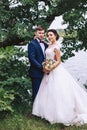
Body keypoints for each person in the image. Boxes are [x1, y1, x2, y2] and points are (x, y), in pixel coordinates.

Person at [32, 29, 87, 126]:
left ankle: (61, 115)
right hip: (47, 71)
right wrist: (45, 65)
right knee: (48, 93)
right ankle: (48, 114)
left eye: (51, 35)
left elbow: (58, 61)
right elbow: (47, 58)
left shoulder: (56, 47)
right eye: (48, 35)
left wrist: (50, 68)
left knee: (58, 92)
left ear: (55, 36)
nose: (49, 37)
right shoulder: (48, 45)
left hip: (55, 71)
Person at [28, 26, 48, 102]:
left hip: (46, 73)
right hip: (36, 73)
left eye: (43, 33)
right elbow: (32, 58)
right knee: (36, 93)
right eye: (39, 33)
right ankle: (35, 112)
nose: (41, 35)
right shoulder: (32, 44)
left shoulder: (45, 44)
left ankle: (43, 111)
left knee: (45, 92)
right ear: (35, 33)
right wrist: (42, 68)